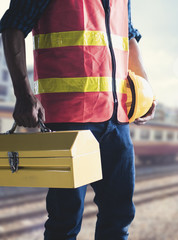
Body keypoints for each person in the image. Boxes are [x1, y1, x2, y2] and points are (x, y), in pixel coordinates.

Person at [0, 0, 156, 239]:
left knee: (119, 215)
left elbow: (128, 35)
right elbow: (13, 26)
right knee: (66, 218)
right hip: (70, 119)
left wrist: (145, 94)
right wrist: (23, 95)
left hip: (116, 118)